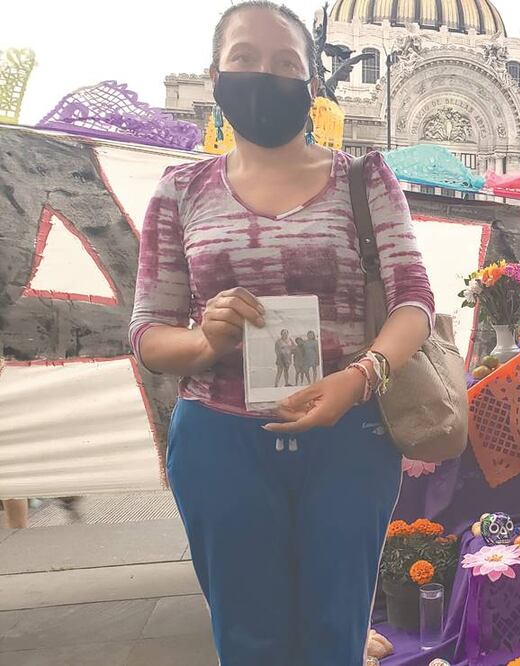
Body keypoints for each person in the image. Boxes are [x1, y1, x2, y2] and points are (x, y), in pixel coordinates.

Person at [128, 3, 434, 663]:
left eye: (285, 63)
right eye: (244, 58)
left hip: (348, 436)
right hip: (219, 441)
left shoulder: (363, 178)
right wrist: (205, 342)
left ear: (312, 84)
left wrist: (360, 379)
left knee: (337, 631)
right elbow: (148, 334)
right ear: (215, 75)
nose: (263, 75)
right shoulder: (179, 190)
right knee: (247, 638)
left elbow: (413, 300)